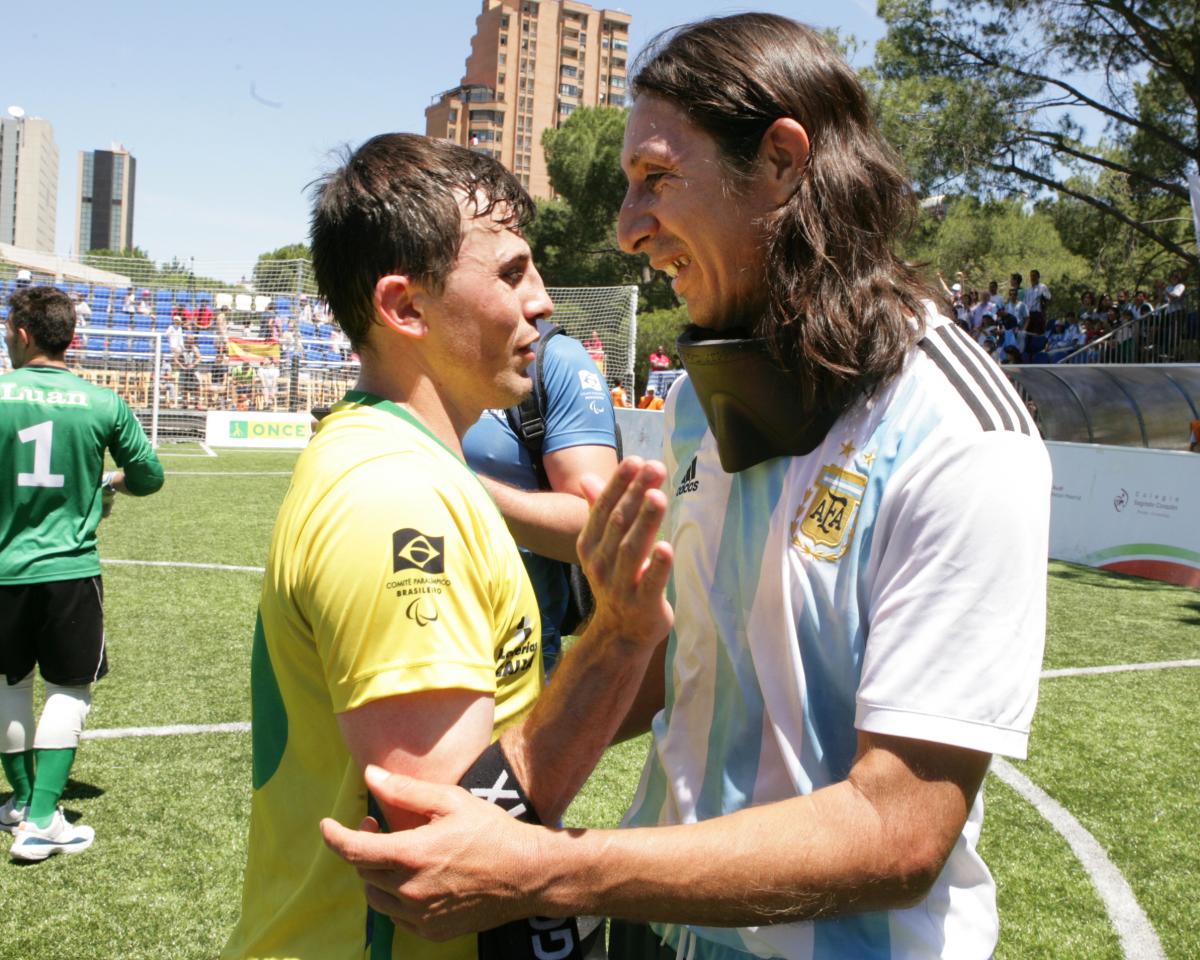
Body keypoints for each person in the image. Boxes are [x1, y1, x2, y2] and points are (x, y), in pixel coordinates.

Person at [323, 15, 1051, 960]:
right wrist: (493, 786)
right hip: (656, 934)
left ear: (783, 161)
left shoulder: (959, 434)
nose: (629, 229)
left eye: (656, 179)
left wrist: (544, 866)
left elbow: (900, 829)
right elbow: (684, 656)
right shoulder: (699, 401)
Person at [221, 133, 668, 960]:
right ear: (405, 308)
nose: (541, 301)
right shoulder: (399, 498)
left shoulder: (421, 471)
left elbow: (505, 738)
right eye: (510, 273)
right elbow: (452, 849)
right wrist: (620, 640)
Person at [0, 286, 163, 860]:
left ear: (22, 334)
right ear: (70, 336)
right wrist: (109, 482)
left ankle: (21, 803)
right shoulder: (102, 402)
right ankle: (43, 819)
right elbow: (149, 477)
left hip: (3, 570)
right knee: (69, 689)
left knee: (9, 684)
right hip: (70, 569)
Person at [462, 322, 618, 677]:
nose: (541, 300)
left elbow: (598, 530)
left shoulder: (556, 359)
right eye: (512, 273)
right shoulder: (395, 352)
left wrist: (453, 483)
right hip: (393, 643)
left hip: (512, 661)